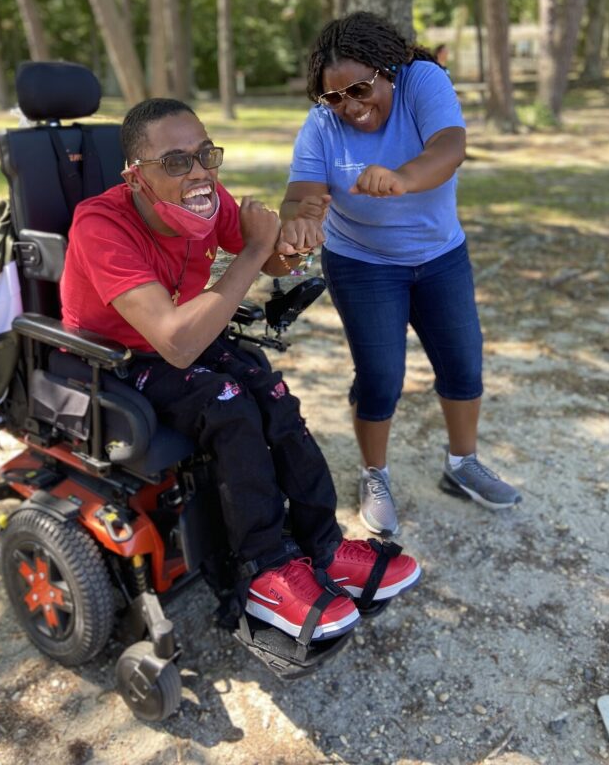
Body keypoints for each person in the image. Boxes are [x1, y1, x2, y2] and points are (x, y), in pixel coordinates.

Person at [60, 97, 421, 643]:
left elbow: (270, 258)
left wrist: (292, 243)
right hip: (112, 361)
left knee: (270, 391)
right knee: (227, 404)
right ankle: (266, 571)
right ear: (136, 176)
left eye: (206, 154)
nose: (200, 172)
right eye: (177, 161)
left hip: (181, 340)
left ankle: (324, 545)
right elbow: (177, 342)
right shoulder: (100, 224)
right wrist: (255, 251)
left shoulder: (204, 200)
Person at [280, 11, 521, 538]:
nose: (350, 106)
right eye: (335, 97)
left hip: (440, 256)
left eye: (360, 89)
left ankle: (462, 465)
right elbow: (301, 195)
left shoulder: (422, 81)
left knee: (463, 364)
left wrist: (402, 178)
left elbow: (449, 149)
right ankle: (375, 475)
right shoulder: (322, 123)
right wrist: (300, 220)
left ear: (388, 71)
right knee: (380, 377)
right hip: (362, 263)